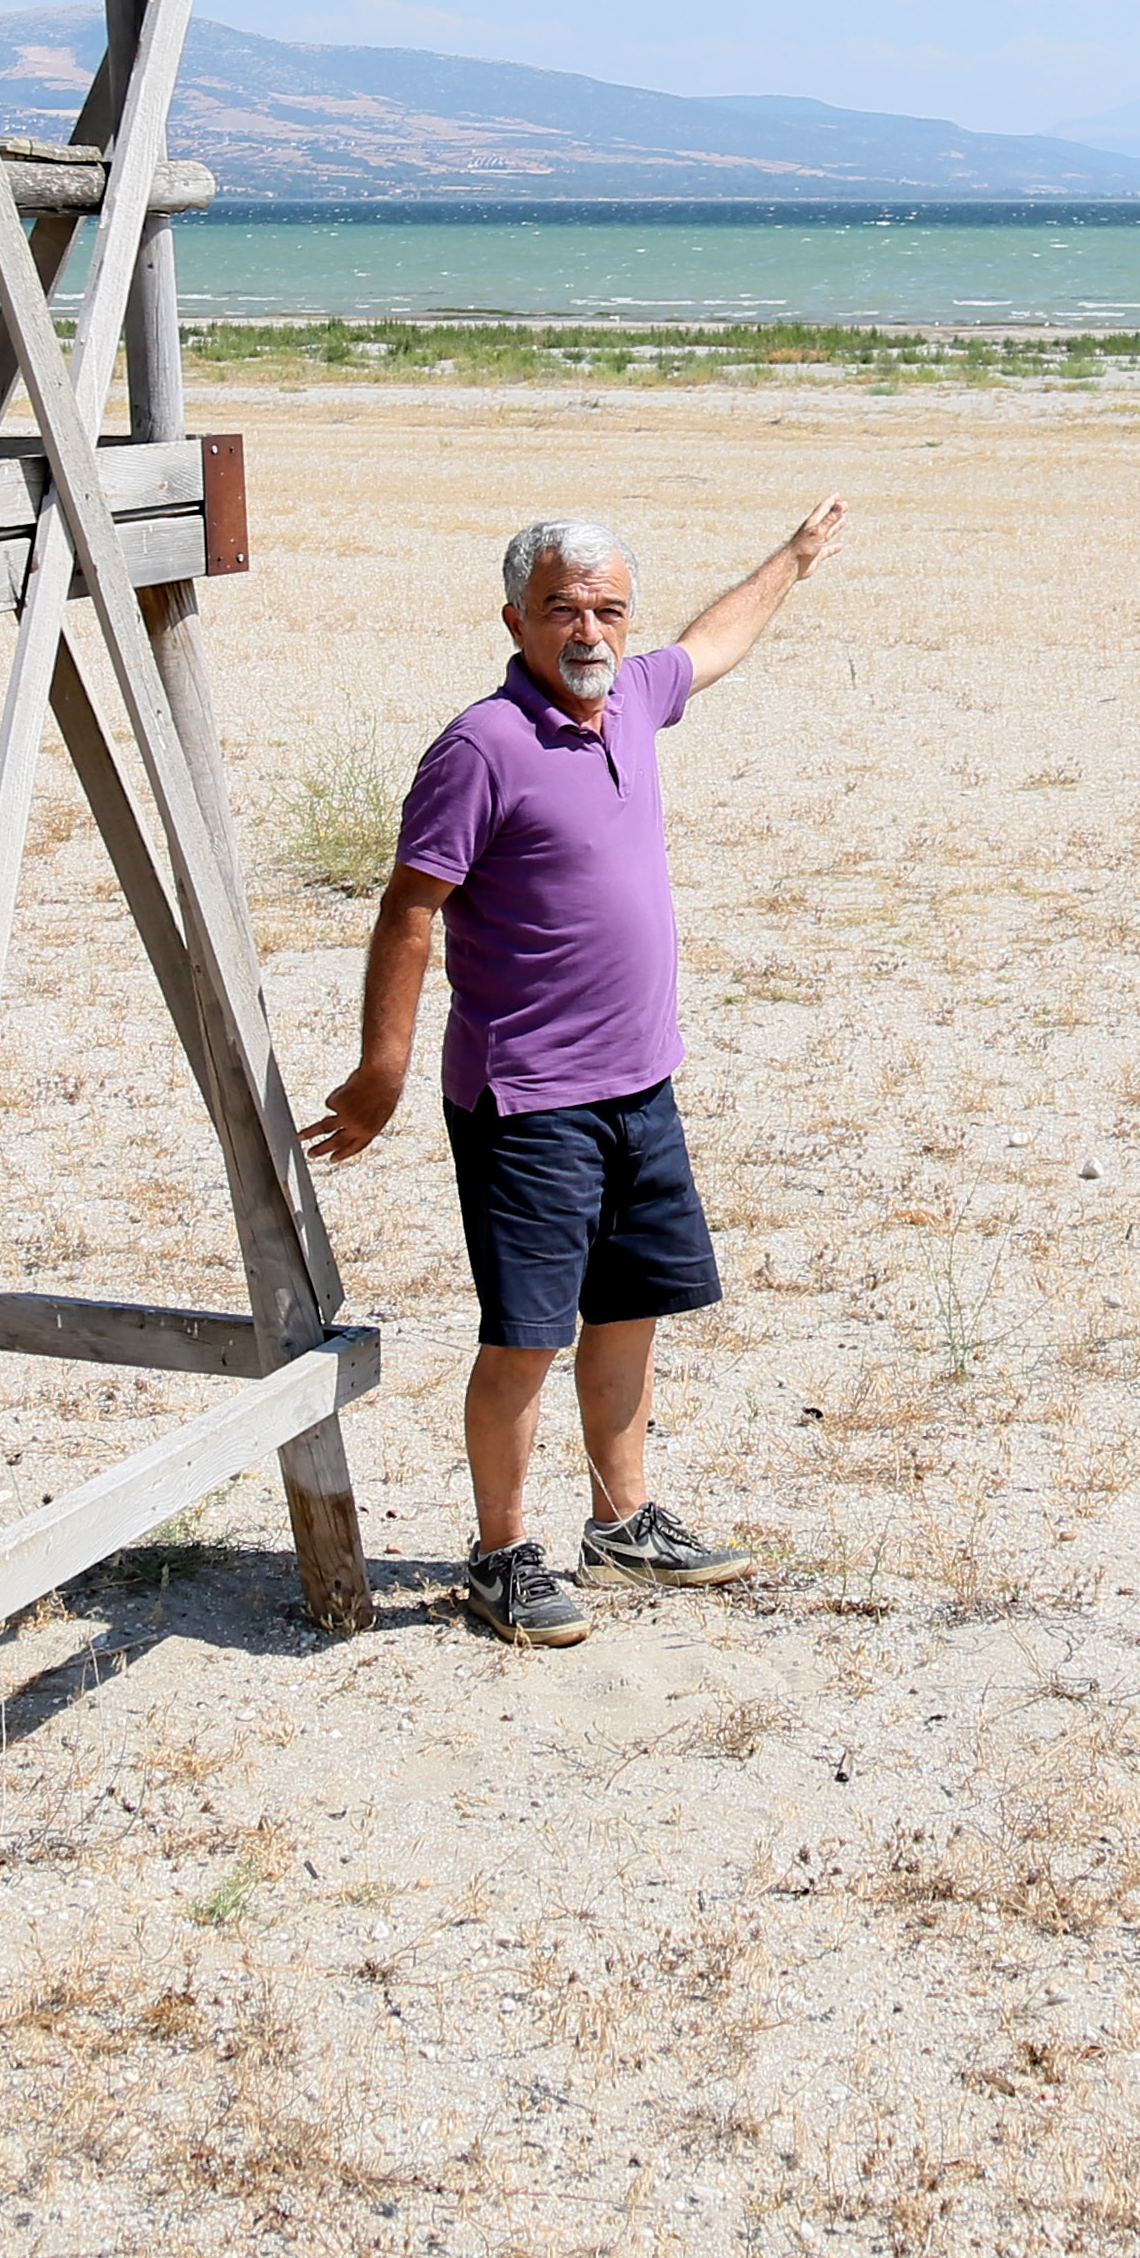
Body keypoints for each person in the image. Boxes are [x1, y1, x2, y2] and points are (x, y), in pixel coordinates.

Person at [311, 500, 851, 1648]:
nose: (590, 629)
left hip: (640, 1086)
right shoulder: (481, 746)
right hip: (528, 1101)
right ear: (516, 618)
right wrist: (384, 1066)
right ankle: (501, 1557)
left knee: (629, 1310)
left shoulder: (634, 703)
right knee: (525, 1337)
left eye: (608, 608)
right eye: (563, 608)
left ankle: (623, 1521)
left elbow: (714, 643)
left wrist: (793, 562)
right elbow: (412, 907)